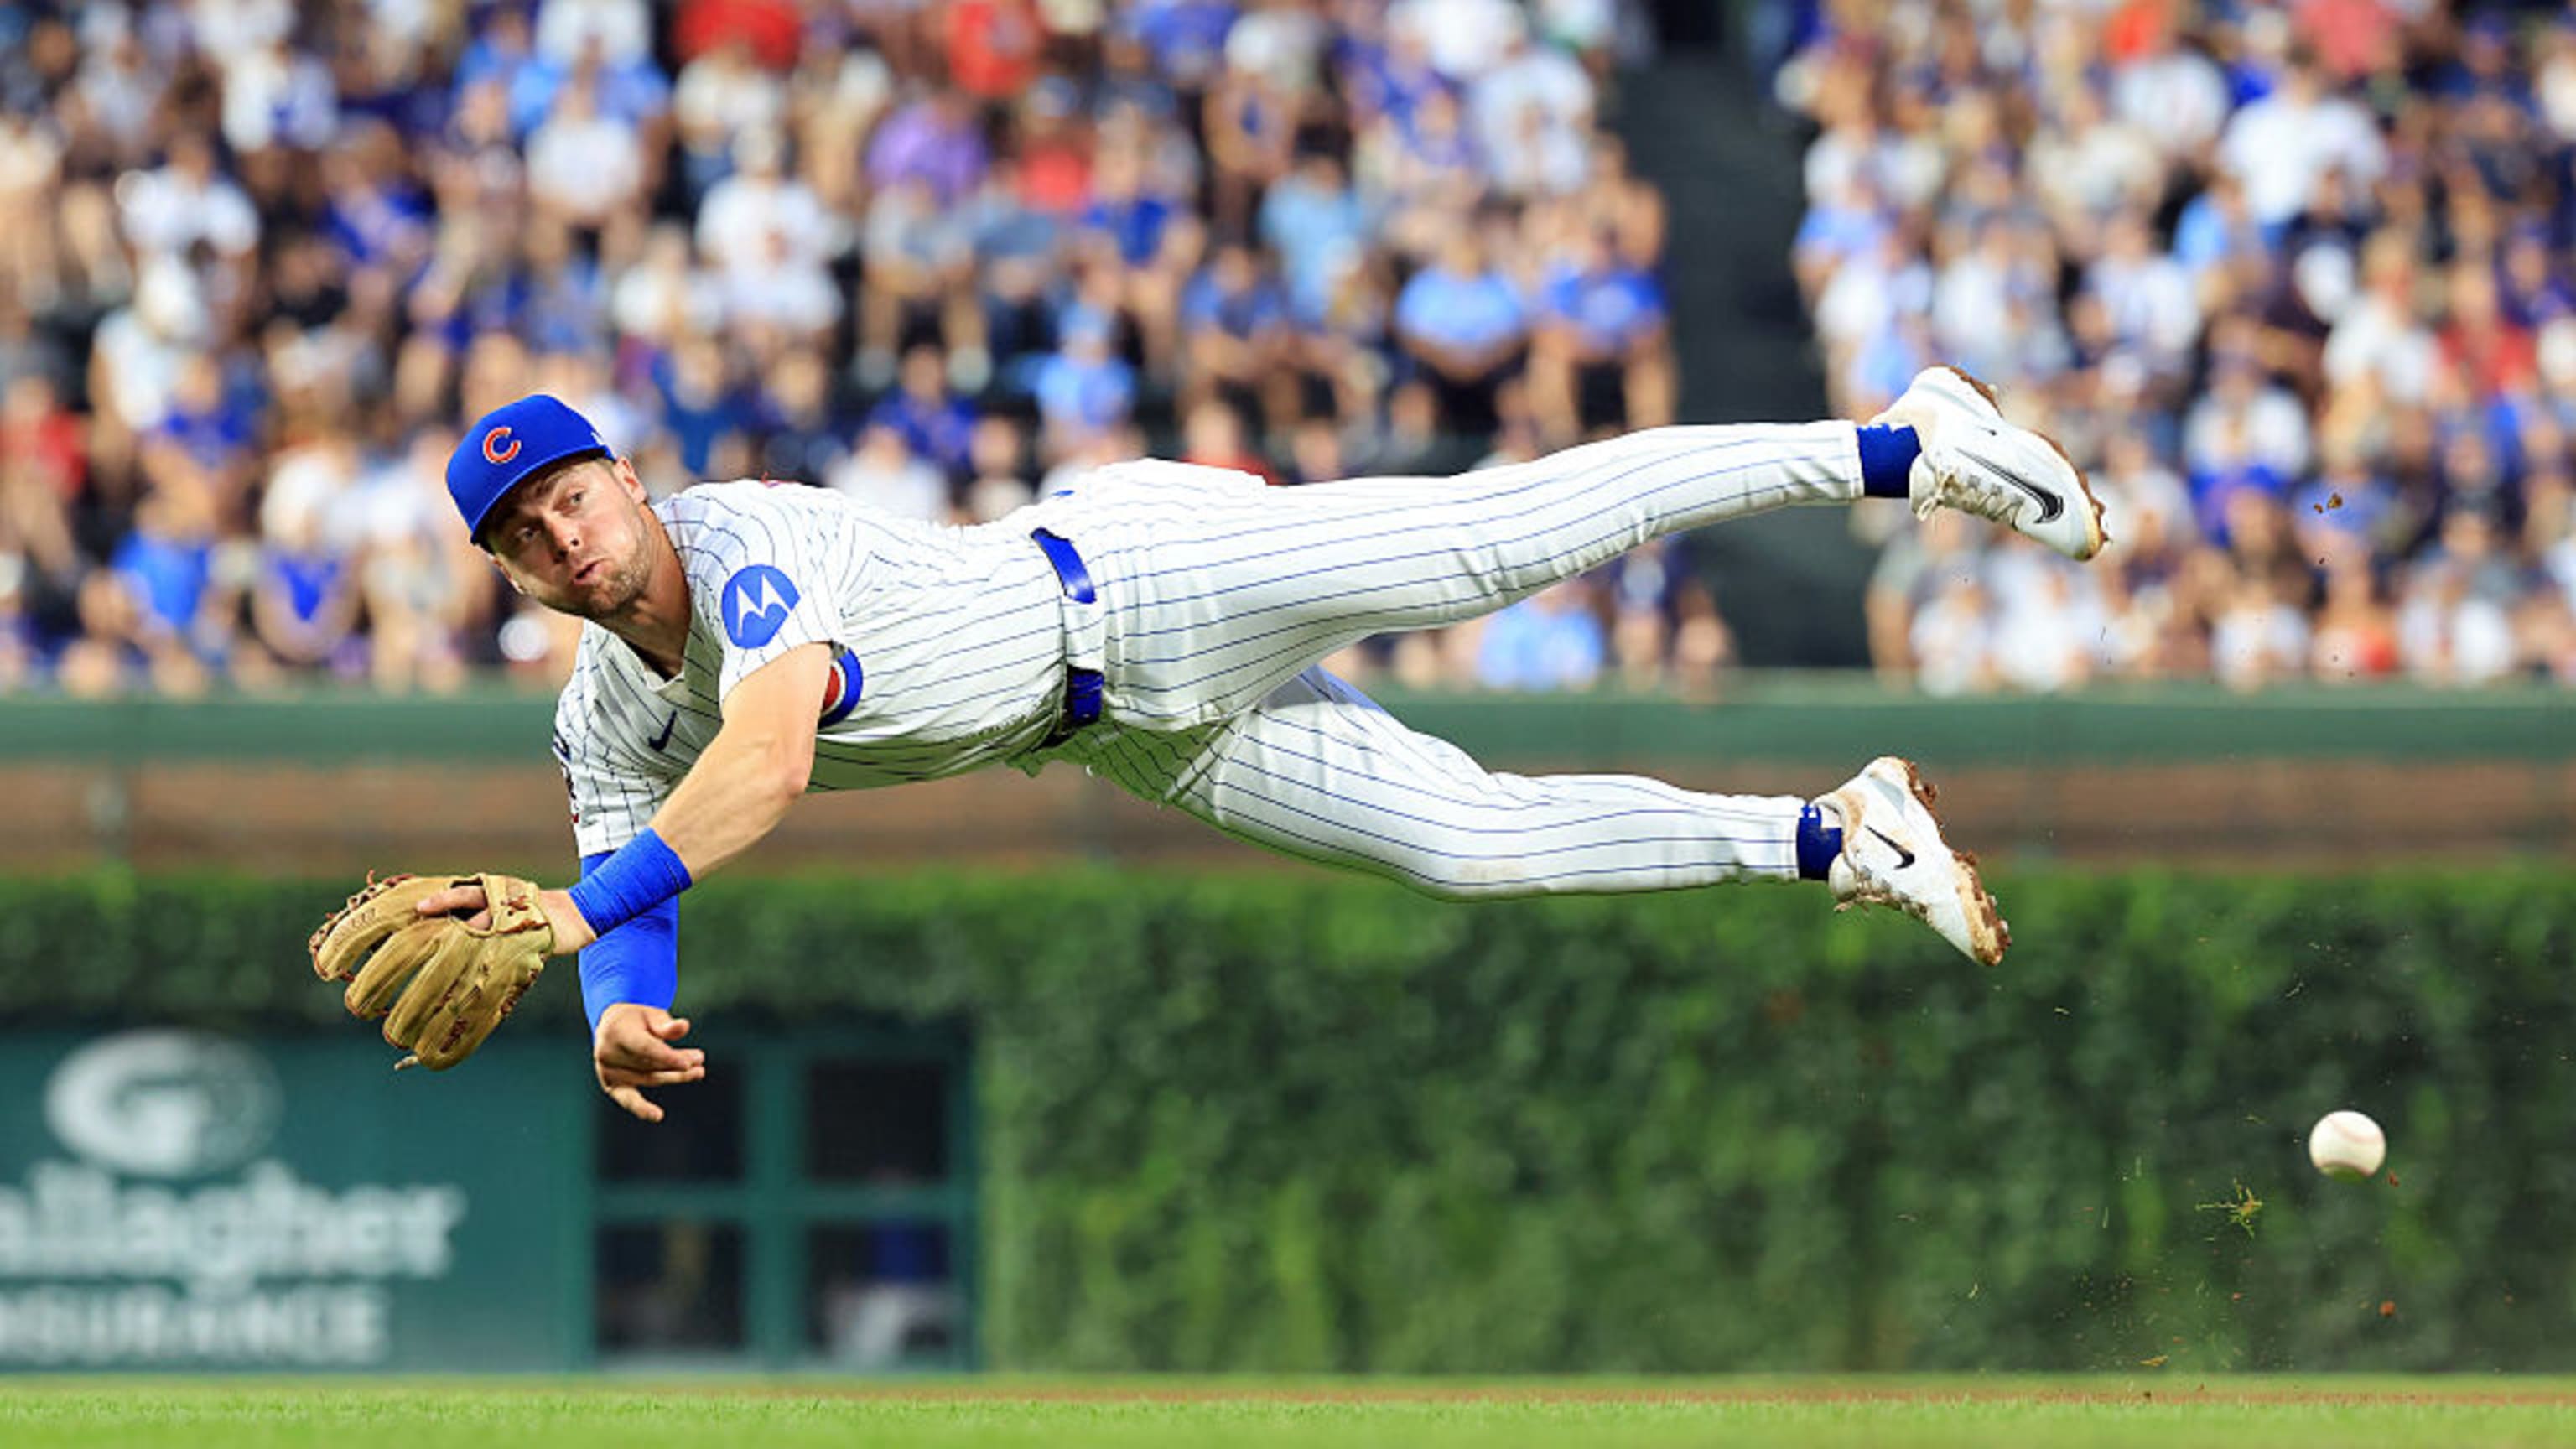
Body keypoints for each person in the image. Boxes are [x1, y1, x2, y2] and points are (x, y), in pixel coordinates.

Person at [417, 366, 2108, 1121]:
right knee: (1468, 847)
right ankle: (1842, 834)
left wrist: (567, 921)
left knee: (1488, 544)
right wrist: (616, 992)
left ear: (629, 480)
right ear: (508, 569)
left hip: (1145, 576)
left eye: (570, 495)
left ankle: (1897, 446)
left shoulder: (740, 547)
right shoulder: (608, 703)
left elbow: (769, 765)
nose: (560, 538)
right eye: (523, 533)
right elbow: (624, 851)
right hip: (1115, 728)